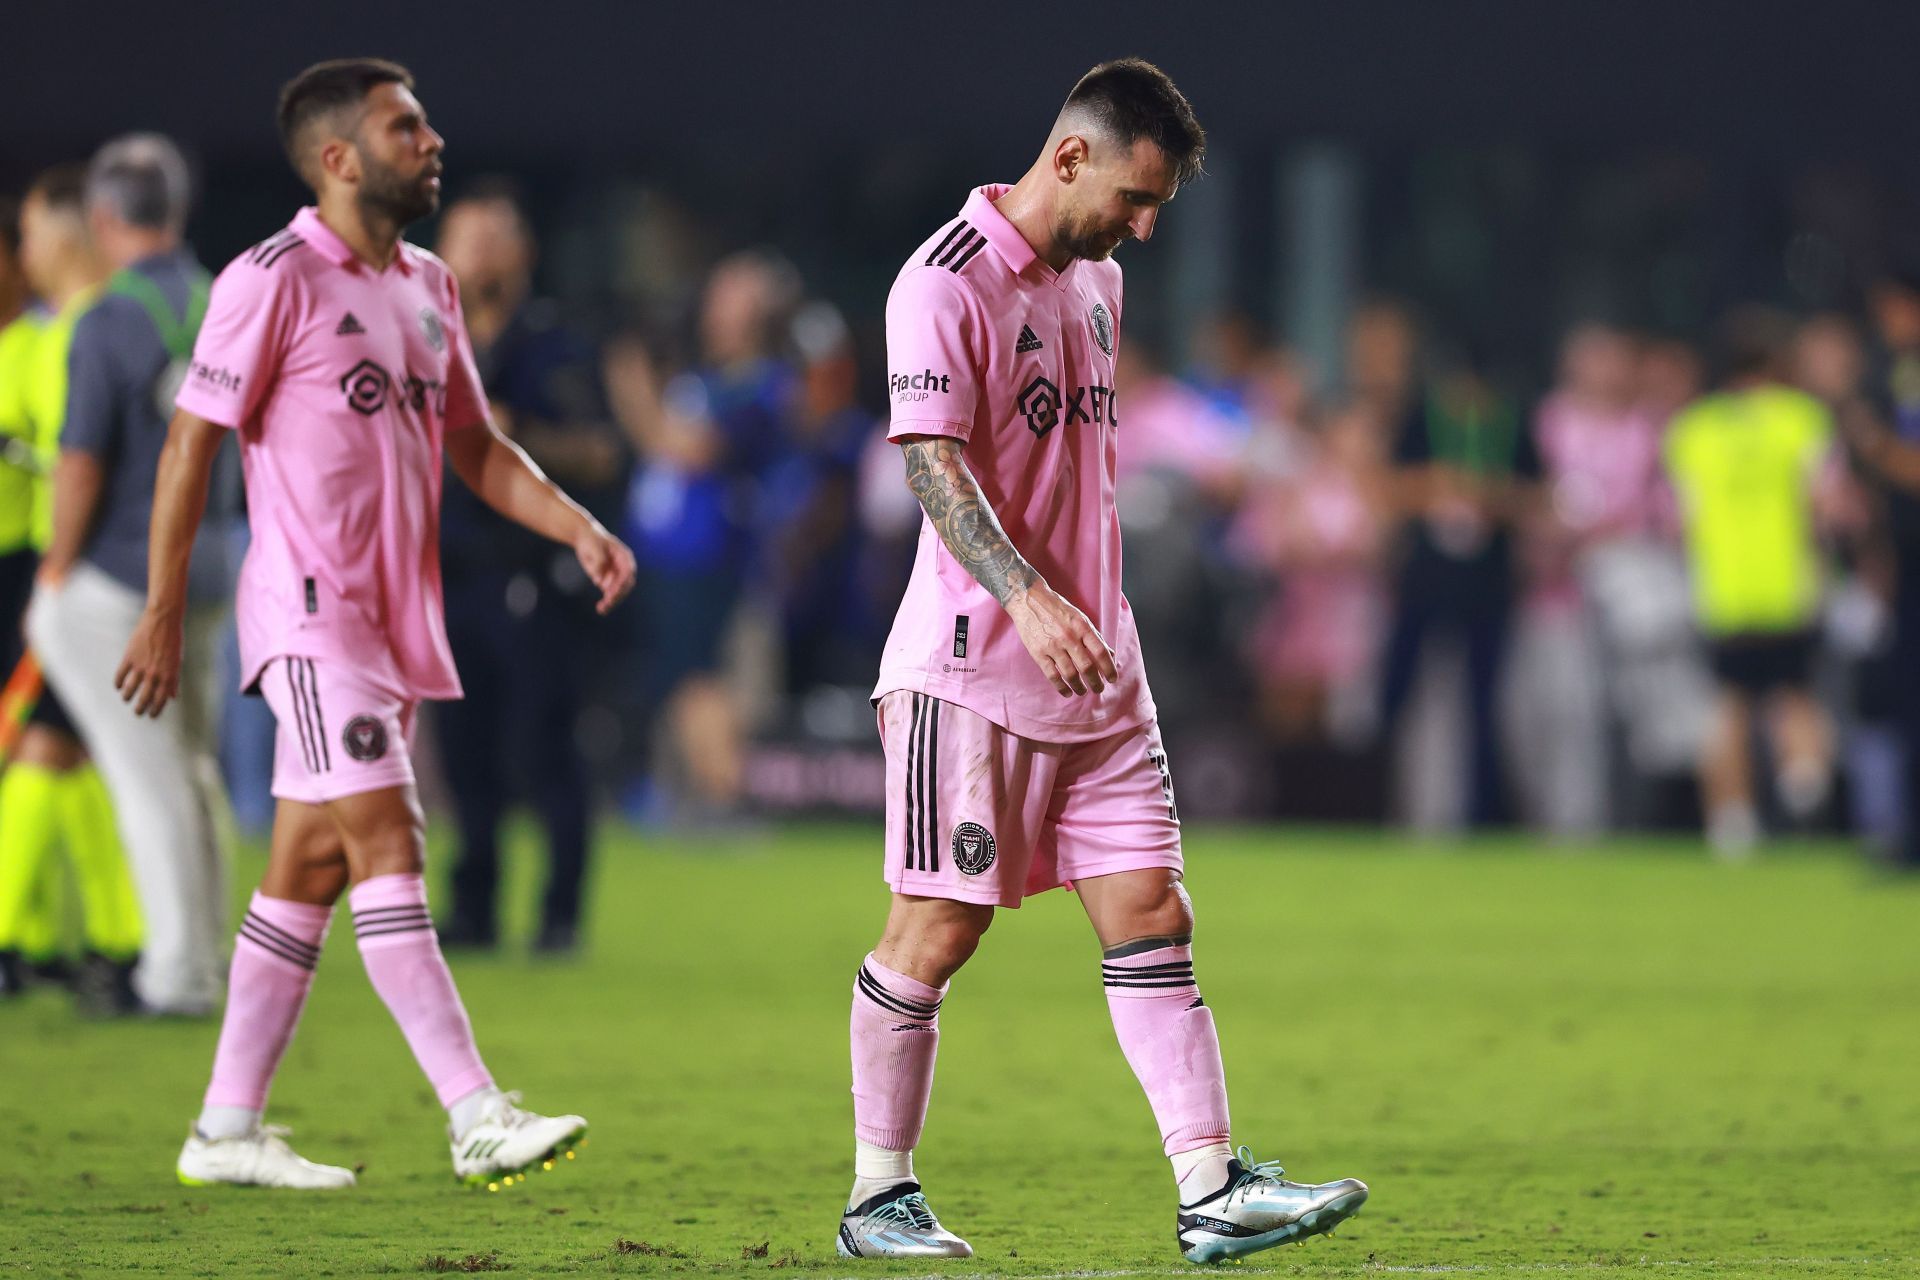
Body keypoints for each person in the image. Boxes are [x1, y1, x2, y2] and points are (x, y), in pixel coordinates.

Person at [841, 59, 1366, 1264]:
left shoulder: (1098, 283)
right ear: (1067, 154)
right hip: (971, 666)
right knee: (936, 930)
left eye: (1159, 207)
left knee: (1152, 912)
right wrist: (1027, 596)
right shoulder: (942, 283)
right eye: (1136, 196)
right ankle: (878, 1195)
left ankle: (1211, 1187)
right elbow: (933, 464)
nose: (1142, 225)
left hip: (1100, 667)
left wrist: (1088, 615)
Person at [114, 58, 636, 1190]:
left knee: (305, 867)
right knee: (394, 839)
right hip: (310, 617)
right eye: (407, 126)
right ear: (340, 157)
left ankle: (225, 1126)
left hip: (396, 626)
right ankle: (474, 1111)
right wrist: (162, 612)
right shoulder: (272, 280)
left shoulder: (430, 286)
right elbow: (188, 443)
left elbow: (478, 448)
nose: (433, 139)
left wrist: (576, 525)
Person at [26, 136, 233, 1017]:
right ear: (178, 212)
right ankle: (212, 960)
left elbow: (80, 464)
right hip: (218, 565)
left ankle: (174, 974)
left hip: (119, 574)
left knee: (146, 781)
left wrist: (58, 568)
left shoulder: (108, 318)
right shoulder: (227, 300)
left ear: (104, 219)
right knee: (194, 772)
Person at [432, 184, 626, 953]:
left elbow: (604, 452)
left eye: (494, 236)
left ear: (524, 255)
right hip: (449, 572)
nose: (477, 252)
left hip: (534, 577)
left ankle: (559, 915)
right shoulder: (424, 341)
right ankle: (473, 908)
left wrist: (519, 437)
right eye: (466, 237)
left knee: (543, 746)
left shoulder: (557, 344)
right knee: (462, 751)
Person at [0, 170, 143, 1006]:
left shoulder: (86, 333)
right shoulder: (64, 334)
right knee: (72, 755)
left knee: (47, 749)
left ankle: (49, 940)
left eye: (28, 233)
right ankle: (108, 944)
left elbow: (78, 464)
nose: (25, 252)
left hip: (68, 571)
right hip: (59, 568)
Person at [1664, 308, 1837, 856]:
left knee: (1729, 704)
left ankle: (1732, 823)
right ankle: (1802, 778)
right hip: (1789, 583)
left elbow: (1681, 519)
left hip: (1723, 589)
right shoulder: (1803, 419)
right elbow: (1824, 504)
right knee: (1797, 695)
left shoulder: (1694, 429)